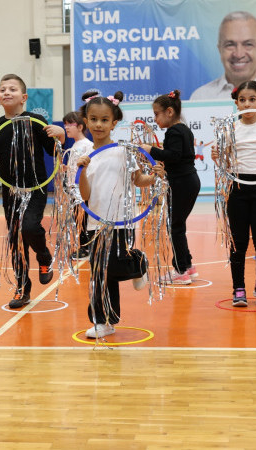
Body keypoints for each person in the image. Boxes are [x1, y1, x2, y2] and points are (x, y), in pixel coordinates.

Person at [76, 91, 164, 338]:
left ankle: (138, 263)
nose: (98, 125)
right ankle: (104, 321)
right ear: (86, 121)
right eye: (93, 119)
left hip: (122, 220)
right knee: (99, 273)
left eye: (104, 120)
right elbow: (84, 195)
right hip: (96, 223)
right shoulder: (84, 156)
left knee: (112, 265)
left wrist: (155, 175)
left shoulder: (123, 151)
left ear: (114, 123)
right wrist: (81, 171)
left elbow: (139, 180)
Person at [0, 74, 65, 308]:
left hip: (35, 188)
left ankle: (44, 255)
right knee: (16, 240)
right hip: (10, 191)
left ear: (23, 97)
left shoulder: (36, 121)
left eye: (12, 89)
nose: (7, 92)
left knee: (29, 227)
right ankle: (22, 288)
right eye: (2, 89)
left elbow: (54, 150)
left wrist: (61, 136)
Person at [210, 81, 256, 307]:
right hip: (237, 188)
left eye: (252, 99)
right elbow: (224, 162)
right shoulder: (230, 128)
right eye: (242, 100)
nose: (247, 104)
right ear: (236, 103)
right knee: (238, 242)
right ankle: (238, 288)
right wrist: (216, 156)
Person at [140, 90, 199, 284]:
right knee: (177, 225)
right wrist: (164, 171)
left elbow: (173, 155)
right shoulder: (184, 129)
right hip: (187, 180)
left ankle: (181, 270)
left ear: (170, 112)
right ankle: (188, 265)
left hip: (182, 183)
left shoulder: (174, 131)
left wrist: (151, 150)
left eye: (157, 114)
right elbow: (179, 158)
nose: (155, 119)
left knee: (175, 226)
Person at [190, 11, 256, 101]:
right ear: (220, 49)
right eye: (230, 45)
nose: (239, 54)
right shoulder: (201, 97)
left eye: (248, 44)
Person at [62, 110, 93, 260]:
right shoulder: (75, 145)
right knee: (78, 219)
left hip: (82, 191)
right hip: (73, 191)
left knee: (84, 219)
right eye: (65, 125)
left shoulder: (88, 145)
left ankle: (86, 248)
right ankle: (85, 246)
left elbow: (89, 167)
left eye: (70, 124)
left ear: (80, 127)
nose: (66, 128)